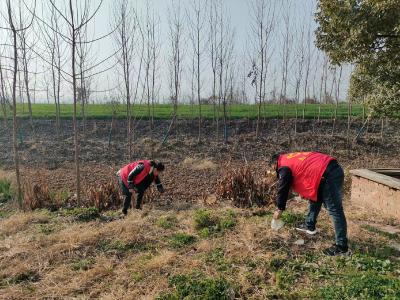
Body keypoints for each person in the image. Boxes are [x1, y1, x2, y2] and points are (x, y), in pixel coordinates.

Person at [270, 152, 348, 256]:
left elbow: (283, 187)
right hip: (326, 171)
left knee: (334, 210)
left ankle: (342, 248)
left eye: (272, 168)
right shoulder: (289, 157)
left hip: (329, 175)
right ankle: (309, 225)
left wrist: (280, 208)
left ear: (274, 164)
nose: (274, 171)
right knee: (315, 198)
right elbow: (304, 169)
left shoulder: (283, 166)